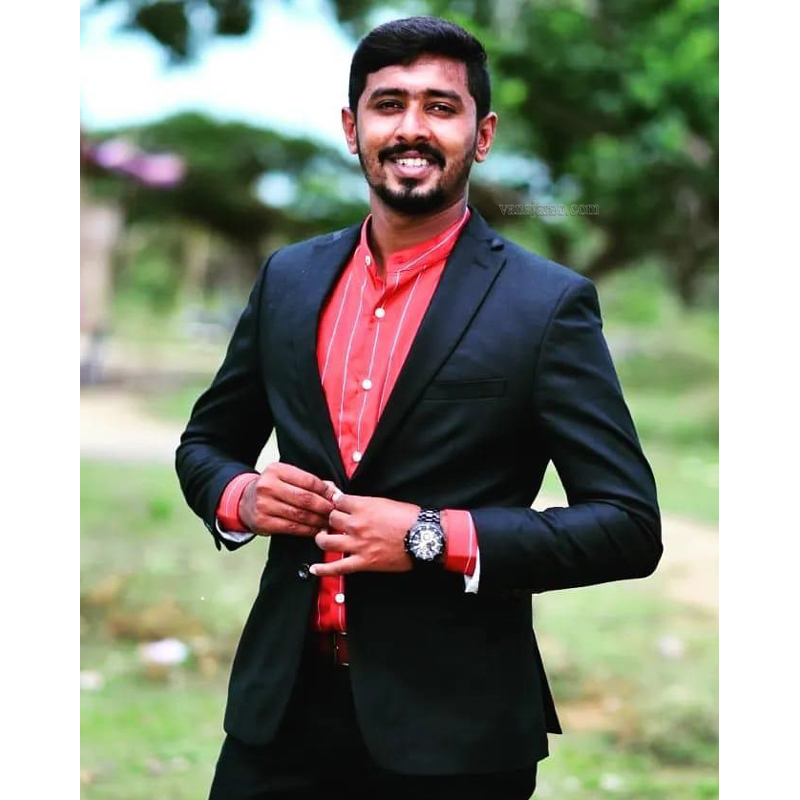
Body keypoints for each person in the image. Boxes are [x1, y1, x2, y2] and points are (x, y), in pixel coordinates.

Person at [176, 15, 662, 800]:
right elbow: (205, 444)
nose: (412, 128)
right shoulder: (289, 279)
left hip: (457, 738)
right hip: (280, 716)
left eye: (441, 106)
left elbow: (628, 525)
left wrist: (430, 536)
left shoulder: (546, 305)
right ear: (351, 128)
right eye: (388, 104)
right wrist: (243, 496)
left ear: (482, 134)